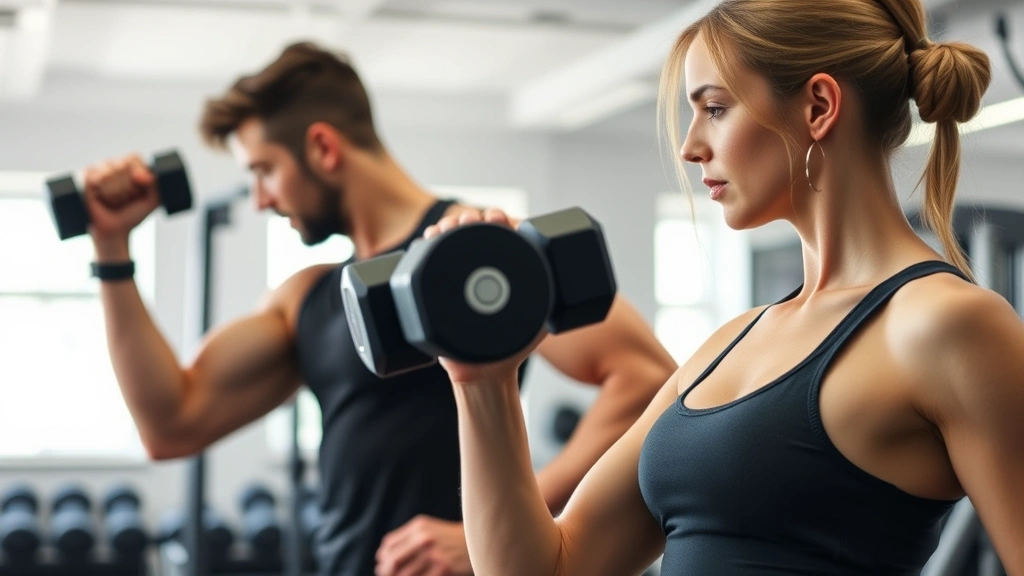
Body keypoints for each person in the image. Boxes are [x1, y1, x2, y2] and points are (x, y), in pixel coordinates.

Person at [433, 0, 1024, 574]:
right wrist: (483, 380)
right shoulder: (727, 346)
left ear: (818, 105)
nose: (691, 147)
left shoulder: (947, 325)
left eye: (714, 108)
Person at [80, 44, 677, 576]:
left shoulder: (473, 248)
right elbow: (172, 423)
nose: (260, 199)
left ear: (321, 147)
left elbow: (644, 378)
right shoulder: (308, 295)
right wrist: (111, 250)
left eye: (264, 170)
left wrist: (496, 529)